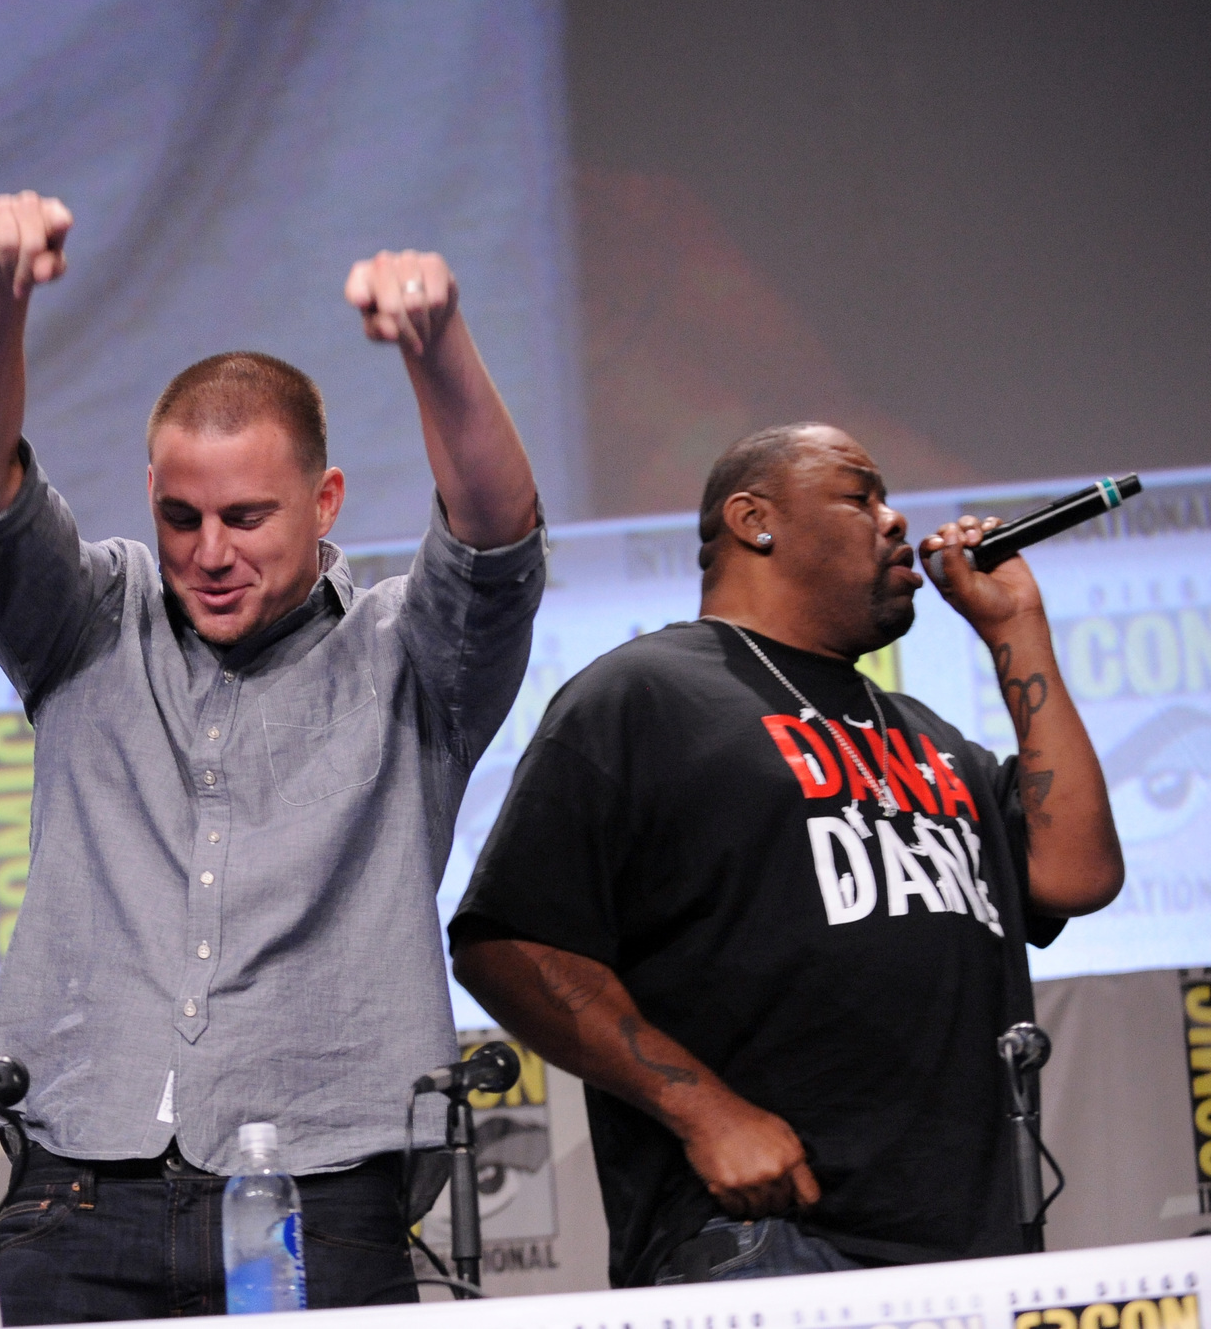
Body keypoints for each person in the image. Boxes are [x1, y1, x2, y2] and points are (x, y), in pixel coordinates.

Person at [0, 192, 547, 1320]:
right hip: (73, 1193)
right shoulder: (87, 619)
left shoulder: (416, 658)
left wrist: (435, 347)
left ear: (324, 501)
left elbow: (497, 538)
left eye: (248, 518)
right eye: (179, 517)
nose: (207, 554)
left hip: (322, 1198)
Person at [451, 423, 1124, 1287]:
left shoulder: (929, 738)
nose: (893, 521)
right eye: (860, 495)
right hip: (764, 1244)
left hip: (971, 1246)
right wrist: (706, 1112)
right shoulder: (645, 694)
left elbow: (1078, 874)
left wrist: (1016, 628)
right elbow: (506, 942)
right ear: (753, 519)